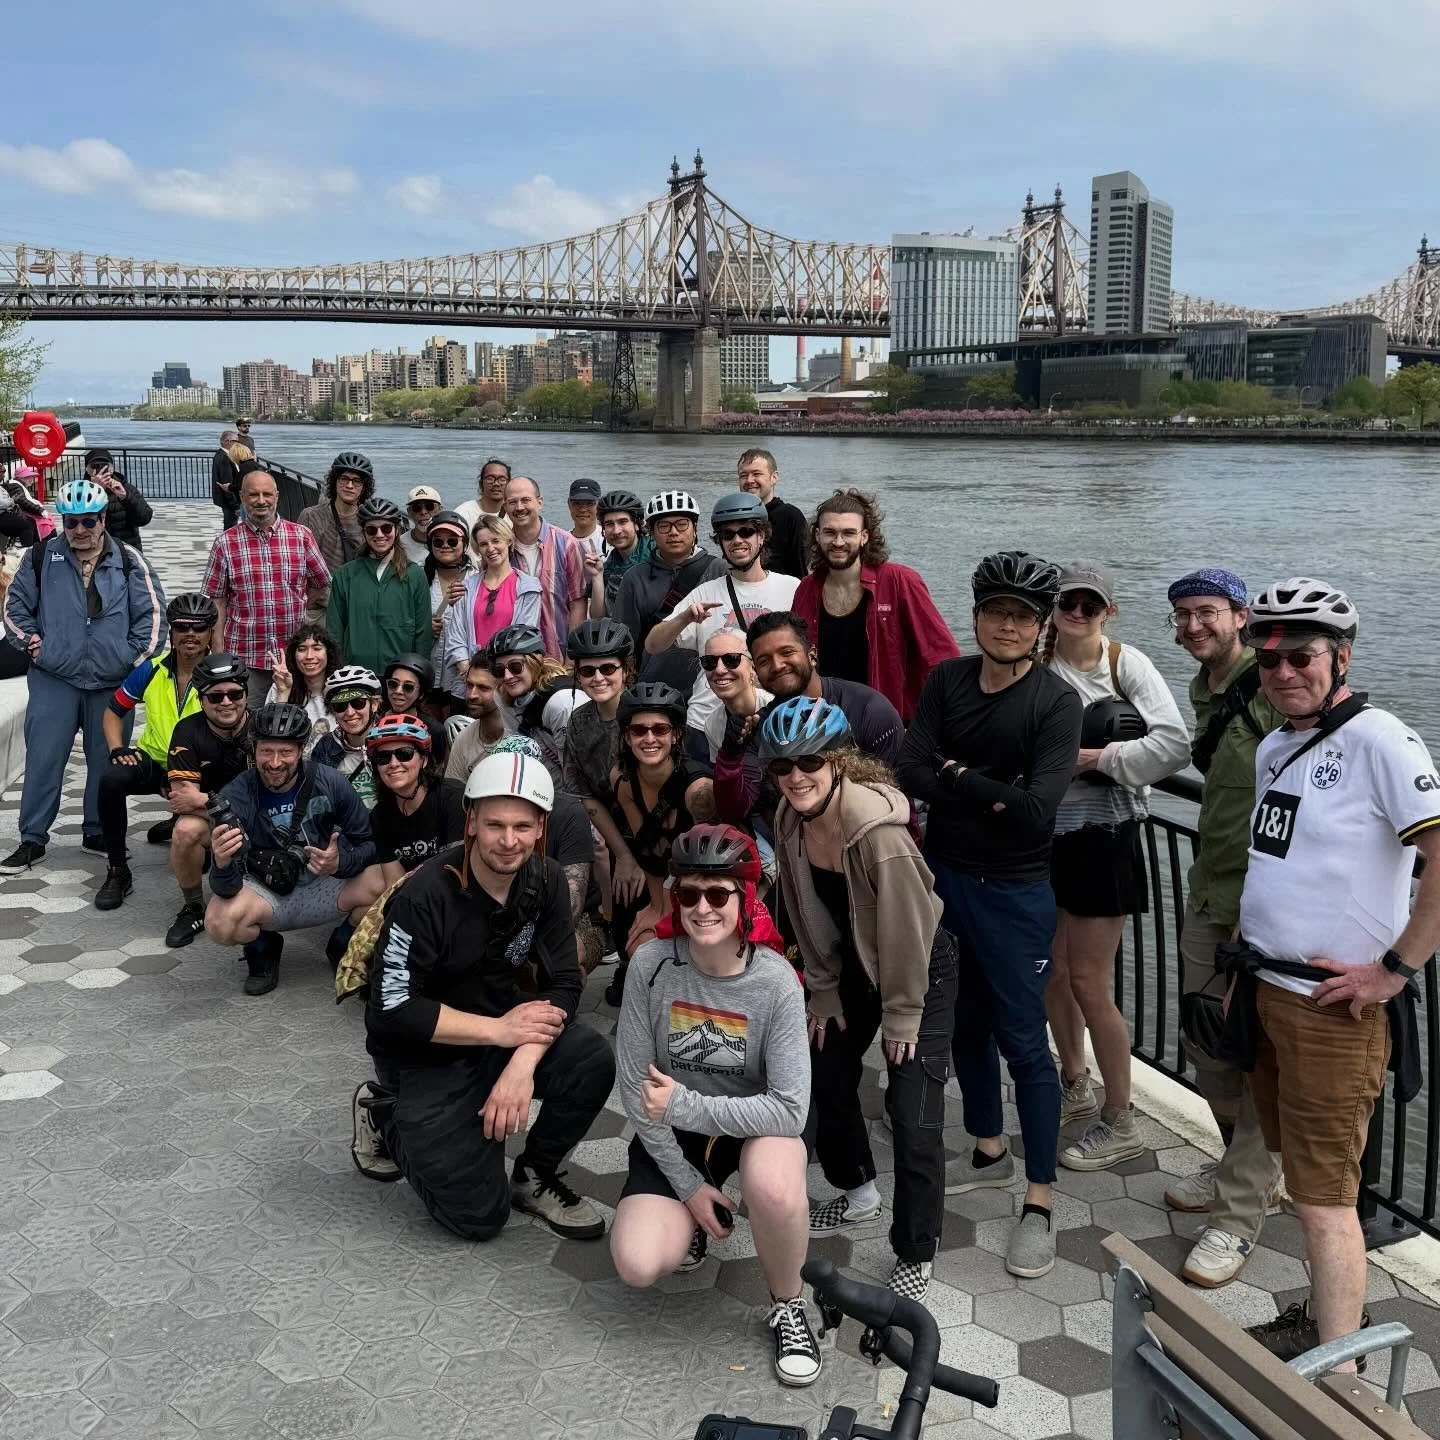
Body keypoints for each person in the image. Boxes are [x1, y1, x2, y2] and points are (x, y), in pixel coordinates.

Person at [1234, 581, 1440, 1367]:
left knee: (1326, 1202)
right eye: (1270, 660)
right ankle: (1326, 1326)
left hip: (1332, 1010)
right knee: (1304, 1183)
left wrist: (1394, 969)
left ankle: (1341, 1374)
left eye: (1303, 657)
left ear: (1341, 658)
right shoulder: (1274, 746)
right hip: (1267, 988)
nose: (1284, 672)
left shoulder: (1382, 740)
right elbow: (1279, 858)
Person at [895, 552, 1081, 1282]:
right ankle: (988, 1146)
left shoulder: (1055, 703)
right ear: (974, 617)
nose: (1008, 626)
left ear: (1041, 629)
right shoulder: (947, 680)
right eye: (996, 612)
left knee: (1023, 1041)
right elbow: (909, 768)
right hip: (944, 880)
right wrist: (988, 786)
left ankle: (1040, 1197)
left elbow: (1036, 812)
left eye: (1023, 617)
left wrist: (953, 774)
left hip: (1013, 890)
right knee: (963, 1024)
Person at [356, 750, 614, 1241]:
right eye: (495, 824)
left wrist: (521, 1064)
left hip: (499, 1031)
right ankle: (384, 1113)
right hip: (425, 1054)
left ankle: (534, 1175)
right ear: (471, 821)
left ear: (541, 827)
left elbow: (565, 982)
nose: (509, 840)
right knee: (477, 1218)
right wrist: (499, 1032)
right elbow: (391, 1009)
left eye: (522, 826)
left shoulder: (546, 879)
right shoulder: (424, 894)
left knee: (590, 1058)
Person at [764, 698, 958, 1305]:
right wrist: (822, 988)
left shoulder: (879, 835)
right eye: (783, 765)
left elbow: (907, 932)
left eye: (811, 762)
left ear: (838, 762)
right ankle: (858, 1192)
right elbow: (802, 910)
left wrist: (903, 1014)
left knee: (914, 1109)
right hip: (850, 964)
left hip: (917, 967)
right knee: (822, 1070)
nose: (796, 776)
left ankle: (916, 1249)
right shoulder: (789, 818)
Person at [610, 824, 819, 1387]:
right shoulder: (651, 964)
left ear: (745, 897)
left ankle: (788, 1303)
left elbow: (789, 1110)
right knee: (638, 1262)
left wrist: (683, 1104)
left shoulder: (776, 981)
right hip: (674, 1129)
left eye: (719, 894)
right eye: (688, 893)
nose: (702, 908)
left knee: (774, 1186)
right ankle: (693, 1218)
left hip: (755, 1123)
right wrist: (686, 1187)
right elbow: (635, 1088)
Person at [1039, 563, 1189, 1172]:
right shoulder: (1038, 664)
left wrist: (1097, 758)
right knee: (1053, 972)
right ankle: (1075, 1082)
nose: (1078, 614)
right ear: (1052, 610)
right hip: (1047, 835)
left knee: (1088, 980)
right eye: (1068, 603)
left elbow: (1174, 744)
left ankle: (1121, 1118)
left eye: (1090, 605)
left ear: (1108, 611)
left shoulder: (1127, 665)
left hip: (1107, 836)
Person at [1166, 568, 1286, 1289]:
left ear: (1241, 617)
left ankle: (1239, 1216)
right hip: (1209, 893)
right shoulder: (1205, 691)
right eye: (1182, 615)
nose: (1193, 626)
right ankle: (1245, 1168)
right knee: (1209, 1047)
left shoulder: (1270, 686)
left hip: (1264, 910)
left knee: (1258, 1058)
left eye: (1206, 612)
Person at [0, 478, 165, 876]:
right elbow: (14, 607)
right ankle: (32, 838)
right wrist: (33, 644)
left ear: (103, 519)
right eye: (71, 522)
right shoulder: (41, 556)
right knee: (43, 758)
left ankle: (98, 832)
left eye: (88, 521)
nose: (79, 530)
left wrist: (131, 660)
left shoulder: (128, 559)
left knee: (107, 760)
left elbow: (154, 615)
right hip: (54, 677)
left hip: (111, 681)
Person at [205, 702, 375, 996]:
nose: (274, 763)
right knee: (219, 922)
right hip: (267, 892)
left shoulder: (331, 782)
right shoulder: (236, 793)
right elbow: (225, 888)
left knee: (388, 881)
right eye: (266, 751)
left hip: (325, 883)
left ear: (301, 750)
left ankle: (345, 941)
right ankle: (263, 945)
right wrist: (220, 863)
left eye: (285, 752)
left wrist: (340, 864)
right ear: (254, 750)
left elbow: (369, 843)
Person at [713, 612, 904, 831]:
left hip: (865, 836)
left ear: (812, 655)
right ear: (755, 672)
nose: (777, 665)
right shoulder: (763, 725)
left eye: (787, 652)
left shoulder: (869, 710)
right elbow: (734, 811)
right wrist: (730, 756)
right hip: (794, 843)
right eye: (764, 661)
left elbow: (897, 801)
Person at [790, 489, 957, 724]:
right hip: (824, 723)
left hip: (890, 722)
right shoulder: (806, 589)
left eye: (848, 533)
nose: (838, 542)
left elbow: (940, 657)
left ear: (864, 537)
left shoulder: (900, 581)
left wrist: (940, 723)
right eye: (830, 532)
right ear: (817, 535)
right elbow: (796, 661)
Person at [93, 591, 217, 909]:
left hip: (200, 768)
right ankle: (118, 870)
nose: (190, 634)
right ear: (171, 631)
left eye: (199, 627)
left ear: (211, 632)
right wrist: (117, 748)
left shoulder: (221, 673)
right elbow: (113, 711)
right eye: (182, 626)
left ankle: (185, 825)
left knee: (201, 859)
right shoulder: (151, 669)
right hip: (155, 761)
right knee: (111, 779)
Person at [643, 493, 798, 737]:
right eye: (728, 535)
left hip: (773, 718)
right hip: (705, 721)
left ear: (762, 536)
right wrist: (684, 619)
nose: (737, 540)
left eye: (746, 532)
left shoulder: (793, 589)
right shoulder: (705, 593)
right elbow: (653, 645)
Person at [605, 681, 714, 1005]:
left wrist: (670, 918)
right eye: (639, 730)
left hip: (713, 887)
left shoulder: (699, 793)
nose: (649, 738)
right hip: (670, 884)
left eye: (660, 729)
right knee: (641, 946)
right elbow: (649, 852)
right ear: (627, 737)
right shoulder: (623, 782)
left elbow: (713, 868)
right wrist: (657, 910)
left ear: (676, 735)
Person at [202, 463, 330, 711]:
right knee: (248, 720)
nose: (261, 501)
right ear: (242, 497)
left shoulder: (301, 536)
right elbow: (217, 600)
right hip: (245, 655)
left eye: (267, 494)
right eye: (254, 495)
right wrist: (217, 649)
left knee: (295, 719)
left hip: (294, 655)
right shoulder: (225, 543)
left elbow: (321, 582)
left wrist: (302, 606)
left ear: (277, 496)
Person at [162, 652, 255, 948]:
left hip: (260, 818)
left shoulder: (262, 726)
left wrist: (204, 799)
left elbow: (276, 794)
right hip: (215, 822)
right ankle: (193, 908)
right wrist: (233, 808)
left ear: (246, 694)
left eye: (234, 694)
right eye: (215, 697)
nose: (226, 702)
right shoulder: (187, 731)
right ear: (201, 700)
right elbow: (183, 800)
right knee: (184, 830)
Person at [614, 491, 725, 691]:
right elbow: (624, 640)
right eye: (664, 526)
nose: (673, 532)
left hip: (712, 685)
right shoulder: (635, 578)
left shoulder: (719, 570)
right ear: (651, 532)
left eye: (682, 524)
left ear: (695, 528)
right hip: (652, 686)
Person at [350, 714, 465, 897]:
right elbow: (395, 883)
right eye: (383, 757)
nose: (393, 764)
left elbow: (456, 877)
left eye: (404, 754)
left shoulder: (453, 798)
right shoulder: (380, 816)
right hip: (414, 891)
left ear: (424, 760)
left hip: (452, 894)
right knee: (358, 908)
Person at [440, 514, 541, 701]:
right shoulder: (466, 586)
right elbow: (456, 637)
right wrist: (470, 673)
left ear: (508, 541)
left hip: (507, 682)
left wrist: (498, 676)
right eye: (483, 544)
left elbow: (523, 640)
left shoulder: (528, 587)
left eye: (496, 541)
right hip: (469, 683)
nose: (490, 548)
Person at [326, 497, 431, 677]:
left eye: (386, 528)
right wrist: (338, 672)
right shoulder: (345, 575)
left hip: (400, 676)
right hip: (355, 673)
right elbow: (334, 630)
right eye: (372, 530)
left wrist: (418, 674)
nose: (380, 535)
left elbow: (423, 632)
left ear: (397, 530)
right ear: (364, 532)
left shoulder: (415, 575)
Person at [504, 476, 587, 658]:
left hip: (558, 653)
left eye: (525, 500)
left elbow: (578, 602)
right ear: (505, 507)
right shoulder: (501, 549)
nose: (519, 507)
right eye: (512, 502)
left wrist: (571, 657)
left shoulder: (567, 544)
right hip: (515, 657)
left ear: (540, 502)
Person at [489, 624, 585, 779]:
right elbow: (516, 749)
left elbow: (577, 773)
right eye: (498, 670)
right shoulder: (501, 694)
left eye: (515, 667)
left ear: (534, 662)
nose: (507, 676)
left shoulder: (562, 702)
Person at [697, 629, 773, 764]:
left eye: (731, 659)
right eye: (710, 661)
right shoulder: (713, 724)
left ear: (753, 666)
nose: (719, 670)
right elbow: (723, 774)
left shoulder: (778, 708)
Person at [420, 509, 474, 701]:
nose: (445, 546)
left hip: (462, 674)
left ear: (464, 544)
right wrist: (423, 628)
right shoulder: (418, 577)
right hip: (426, 670)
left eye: (452, 541)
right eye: (438, 542)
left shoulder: (476, 578)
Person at [265, 623, 342, 756]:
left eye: (317, 648)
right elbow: (271, 738)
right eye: (302, 649)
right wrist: (283, 693)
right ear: (294, 655)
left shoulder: (342, 687)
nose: (309, 656)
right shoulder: (279, 686)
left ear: (328, 653)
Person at [312, 667, 384, 809]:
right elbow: (317, 801)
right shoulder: (325, 747)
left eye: (358, 703)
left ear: (374, 704)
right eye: (340, 706)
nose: (350, 712)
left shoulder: (393, 742)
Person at [297, 452, 372, 577]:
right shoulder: (311, 516)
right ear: (334, 481)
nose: (349, 486)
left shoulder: (368, 520)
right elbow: (298, 561)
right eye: (344, 479)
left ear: (364, 487)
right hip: (321, 587)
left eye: (357, 481)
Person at [736, 447, 807, 579]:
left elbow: (800, 568)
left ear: (774, 477)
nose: (749, 480)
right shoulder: (735, 517)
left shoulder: (790, 516)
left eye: (756, 474)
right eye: (743, 475)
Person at [444, 653, 513, 784]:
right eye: (469, 685)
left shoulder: (521, 736)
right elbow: (453, 791)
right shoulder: (463, 739)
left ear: (503, 689)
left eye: (483, 688)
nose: (472, 695)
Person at [381, 655, 449, 765]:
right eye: (393, 684)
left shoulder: (434, 730)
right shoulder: (375, 720)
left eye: (408, 687)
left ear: (421, 694)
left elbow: (437, 770)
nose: (398, 691)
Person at [83, 448, 153, 550]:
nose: (100, 471)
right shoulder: (80, 491)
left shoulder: (125, 488)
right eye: (95, 467)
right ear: (88, 471)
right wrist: (95, 491)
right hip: (94, 550)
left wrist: (126, 497)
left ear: (111, 469)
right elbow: (78, 520)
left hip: (125, 549)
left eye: (105, 467)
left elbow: (144, 518)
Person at [597, 490, 651, 616]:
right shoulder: (609, 565)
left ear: (637, 524)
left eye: (623, 522)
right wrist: (597, 576)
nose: (616, 531)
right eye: (609, 524)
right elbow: (597, 617)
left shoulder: (656, 553)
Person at [455, 456, 511, 539]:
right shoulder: (464, 514)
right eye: (490, 479)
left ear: (509, 484)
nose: (496, 483)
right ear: (481, 483)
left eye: (502, 479)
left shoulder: (514, 514)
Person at [565, 478, 605, 559]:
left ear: (599, 505)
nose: (583, 510)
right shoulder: (561, 541)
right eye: (577, 503)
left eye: (589, 503)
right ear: (569, 504)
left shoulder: (610, 539)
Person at [404, 484, 444, 562]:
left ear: (440, 509)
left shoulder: (452, 543)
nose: (423, 512)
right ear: (409, 512)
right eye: (416, 508)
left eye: (430, 506)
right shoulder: (400, 545)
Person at [211, 429, 241, 529]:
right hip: (229, 501)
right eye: (236, 441)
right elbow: (227, 483)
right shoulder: (224, 458)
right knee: (231, 526)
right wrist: (235, 505)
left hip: (226, 500)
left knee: (230, 525)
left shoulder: (221, 454)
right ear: (227, 441)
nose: (238, 444)